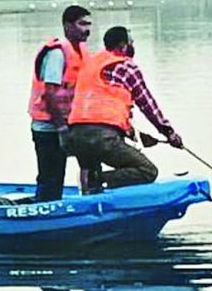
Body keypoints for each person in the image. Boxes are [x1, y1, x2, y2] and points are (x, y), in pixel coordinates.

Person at [65, 26, 184, 193]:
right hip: (102, 139)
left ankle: (91, 185)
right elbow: (147, 104)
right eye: (131, 42)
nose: (133, 45)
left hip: (75, 137)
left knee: (91, 168)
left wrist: (136, 134)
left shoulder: (90, 65)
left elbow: (99, 109)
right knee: (147, 171)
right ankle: (97, 179)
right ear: (123, 46)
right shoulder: (127, 67)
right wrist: (169, 132)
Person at [28, 5, 93, 201]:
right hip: (49, 126)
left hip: (72, 123)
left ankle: (87, 203)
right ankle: (44, 213)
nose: (87, 29)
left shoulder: (83, 52)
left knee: (87, 167)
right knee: (51, 176)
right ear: (67, 26)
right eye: (82, 24)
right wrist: (62, 128)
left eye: (89, 24)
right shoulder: (57, 53)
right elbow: (50, 94)